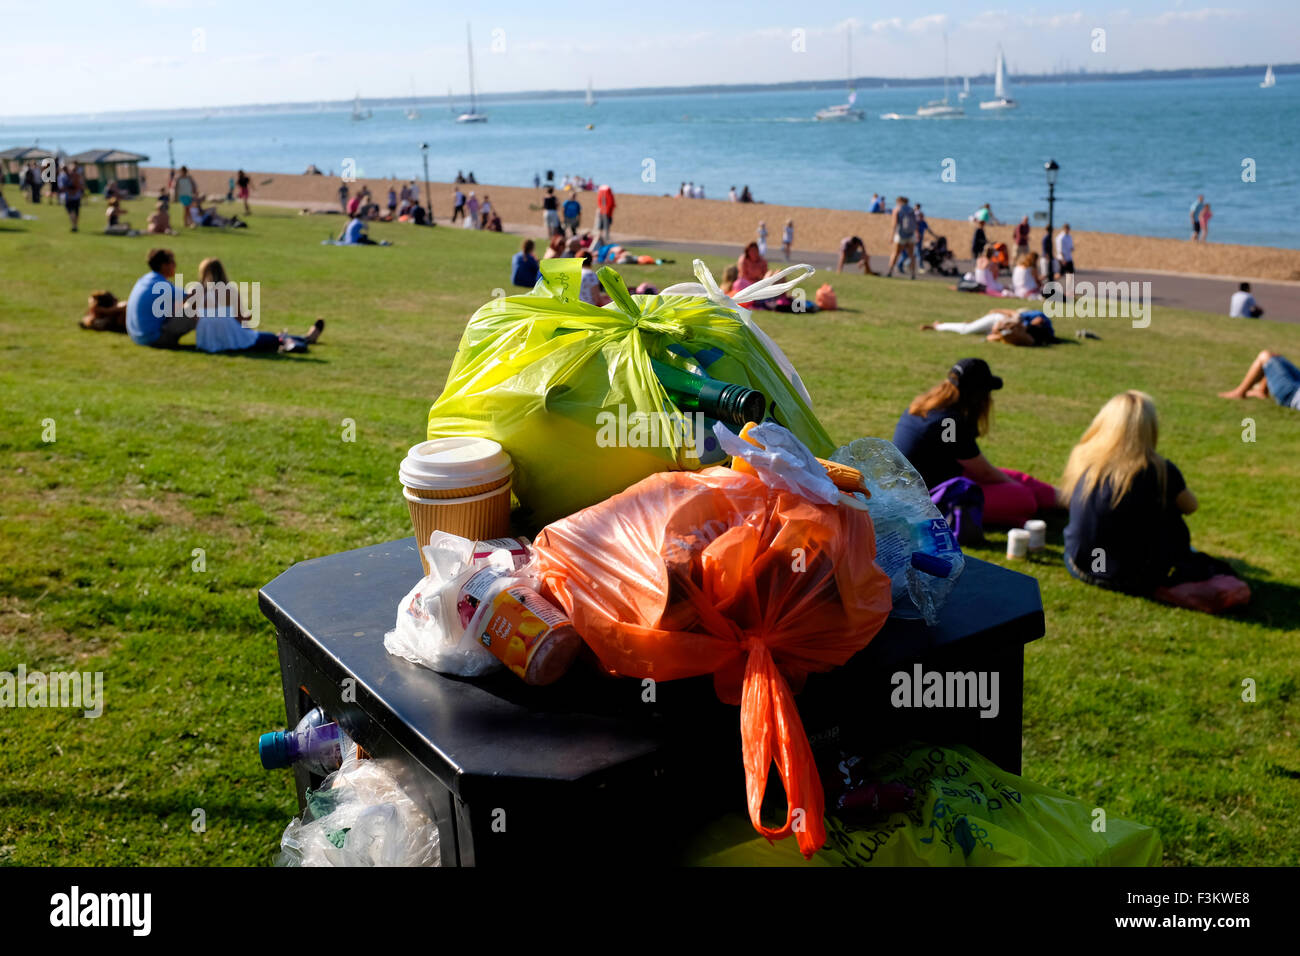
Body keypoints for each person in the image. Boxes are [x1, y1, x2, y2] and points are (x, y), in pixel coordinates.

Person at [1061, 391, 1250, 613]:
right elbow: (1191, 507)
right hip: (1130, 577)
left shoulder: (1085, 458)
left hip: (1081, 565)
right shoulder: (1160, 470)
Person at [893, 358, 1059, 537]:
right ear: (977, 395)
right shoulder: (950, 422)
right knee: (1026, 498)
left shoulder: (925, 406)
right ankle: (1068, 501)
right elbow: (985, 473)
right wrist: (1017, 487)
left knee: (1019, 479)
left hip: (925, 483)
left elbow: (977, 467)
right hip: (931, 499)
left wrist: (1013, 482)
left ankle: (1069, 499)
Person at [126, 248, 192, 347]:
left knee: (178, 306)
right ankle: (209, 342)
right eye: (172, 262)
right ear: (163, 265)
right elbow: (192, 297)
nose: (175, 265)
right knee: (195, 310)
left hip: (137, 337)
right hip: (152, 339)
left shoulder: (145, 279)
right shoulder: (161, 284)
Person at [921, 307, 1055, 346]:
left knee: (972, 329)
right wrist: (997, 312)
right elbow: (1013, 314)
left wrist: (996, 334)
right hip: (997, 320)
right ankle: (938, 326)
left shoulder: (1039, 335)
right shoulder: (1029, 317)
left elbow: (996, 337)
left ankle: (943, 325)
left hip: (1001, 325)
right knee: (966, 330)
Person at [1219, 349, 1300, 409]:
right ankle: (1261, 391)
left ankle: (1239, 393)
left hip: (1291, 393)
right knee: (1277, 357)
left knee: (1264, 356)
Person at [886, 196, 918, 279]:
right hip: (911, 234)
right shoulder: (911, 209)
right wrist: (917, 233)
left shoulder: (897, 209)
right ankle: (913, 274)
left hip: (900, 234)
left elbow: (894, 224)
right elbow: (915, 223)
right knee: (911, 255)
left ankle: (890, 272)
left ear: (899, 202)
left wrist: (892, 236)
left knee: (895, 253)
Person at [58, 162, 85, 231]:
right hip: (75, 196)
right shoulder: (78, 176)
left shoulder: (63, 176)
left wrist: (71, 191)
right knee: (76, 212)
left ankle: (74, 225)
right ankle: (75, 225)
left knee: (71, 212)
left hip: (69, 197)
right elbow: (81, 187)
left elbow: (62, 187)